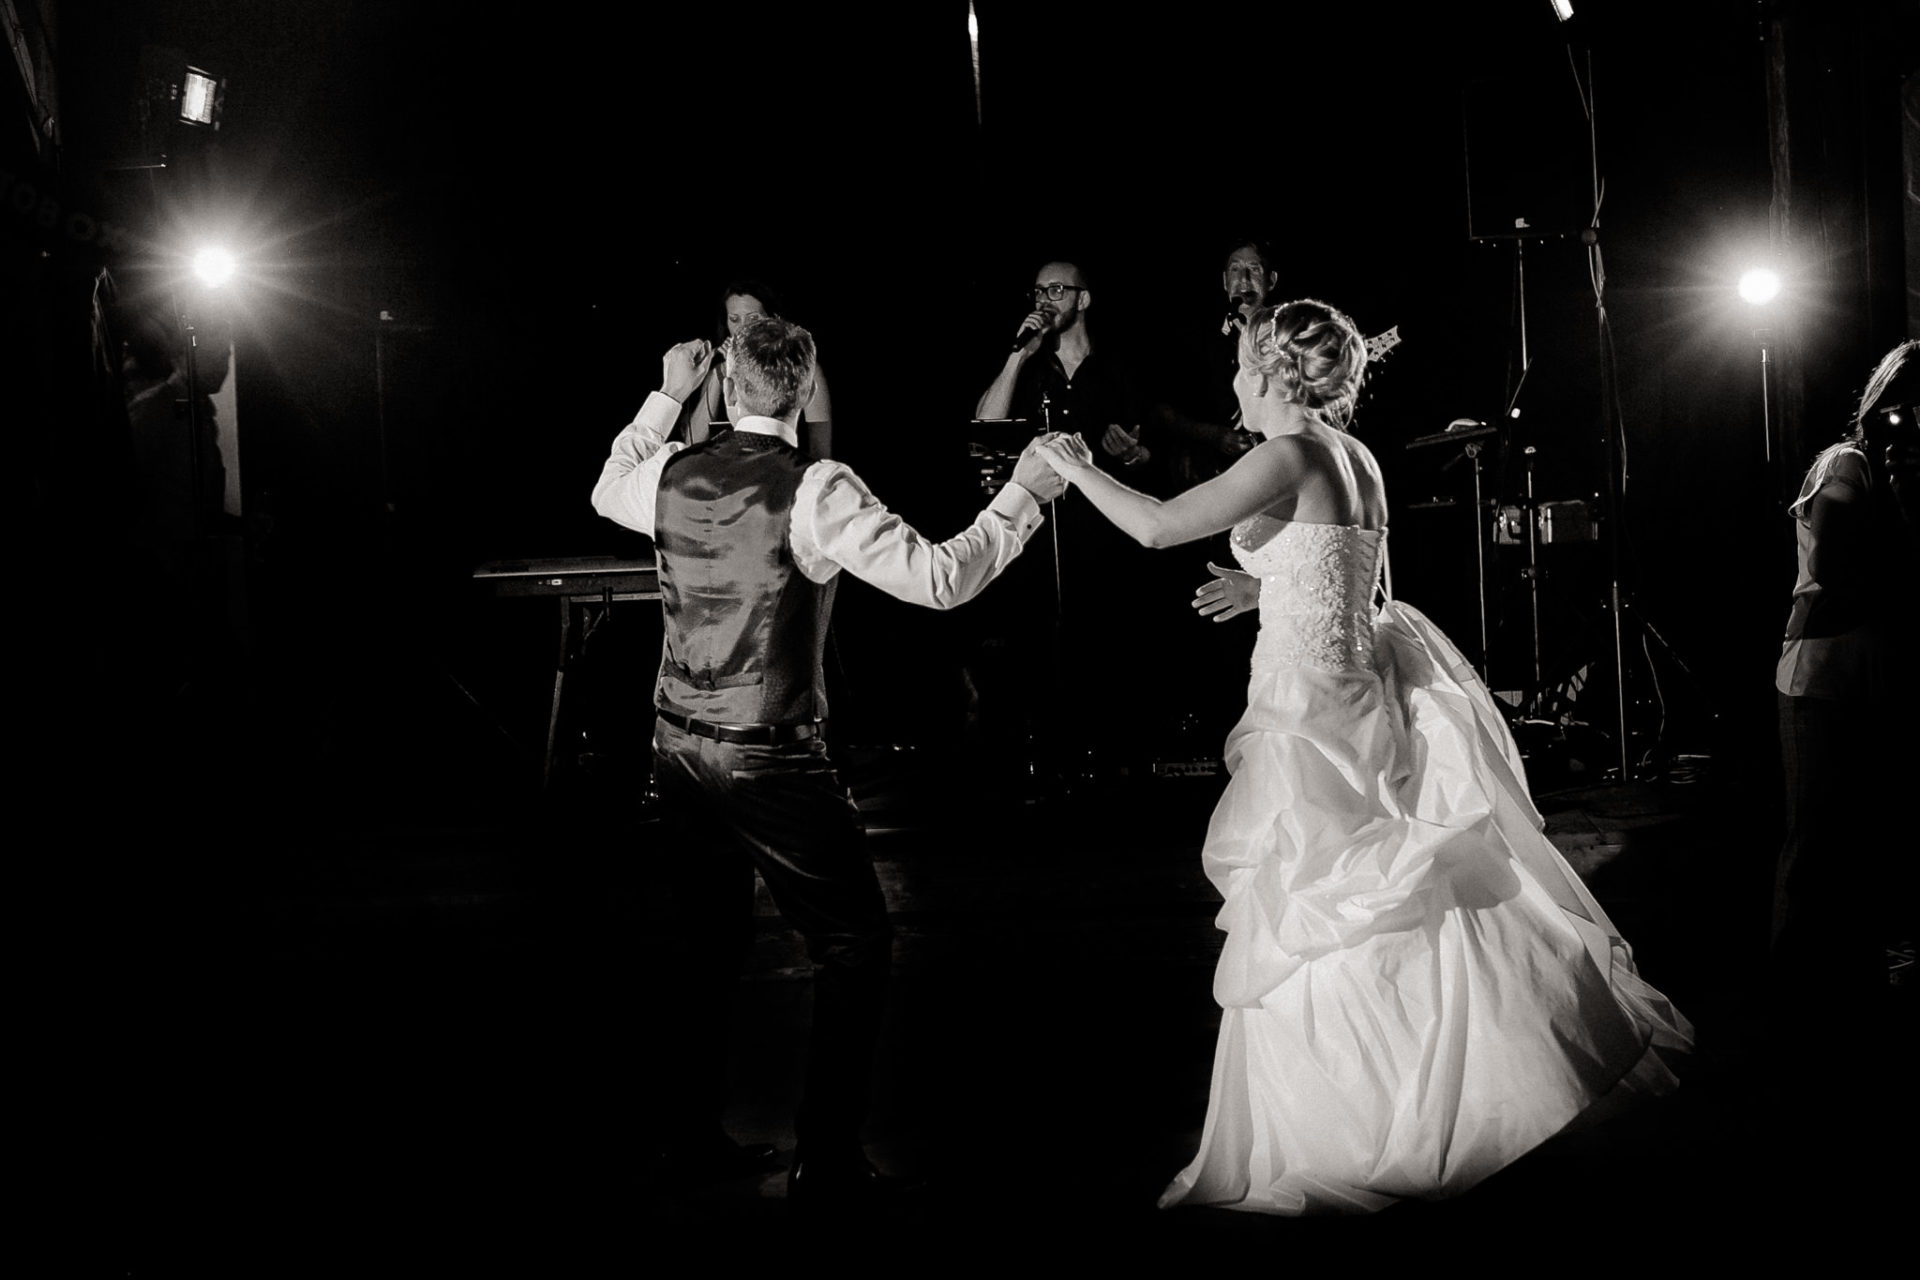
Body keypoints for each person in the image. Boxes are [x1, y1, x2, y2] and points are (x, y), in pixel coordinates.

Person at [1036, 299, 1691, 1214]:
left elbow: (1154, 527)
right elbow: (1353, 578)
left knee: (1312, 897)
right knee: (1375, 888)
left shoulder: (1288, 452)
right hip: (1354, 695)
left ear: (1270, 372)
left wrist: (1073, 465)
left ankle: (1349, 1119)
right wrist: (1265, 585)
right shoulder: (1354, 456)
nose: (1232, 382)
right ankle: (1436, 1080)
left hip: (1306, 710)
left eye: (1240, 365)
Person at [590, 318, 1065, 1208]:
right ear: (804, 391)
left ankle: (691, 1143)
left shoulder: (670, 470)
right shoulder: (817, 487)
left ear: (730, 388)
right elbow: (941, 579)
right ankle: (827, 1161)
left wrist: (666, 392)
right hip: (768, 760)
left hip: (678, 749)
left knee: (707, 946)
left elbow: (607, 484)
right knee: (854, 944)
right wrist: (1021, 498)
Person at [1773, 339, 1920, 1018]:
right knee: (1815, 844)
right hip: (1822, 681)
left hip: (1878, 679)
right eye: (1902, 406)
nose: (1909, 422)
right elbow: (1831, 567)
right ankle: (1794, 1000)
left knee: (1869, 841)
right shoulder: (1848, 464)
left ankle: (1855, 993)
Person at [678, 279, 834, 459]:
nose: (742, 329)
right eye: (734, 320)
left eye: (753, 318)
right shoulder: (719, 373)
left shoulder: (803, 368)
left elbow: (821, 450)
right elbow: (691, 445)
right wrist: (718, 375)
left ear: (773, 320)